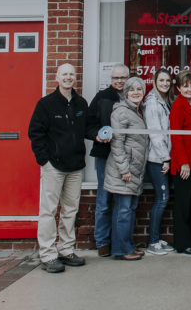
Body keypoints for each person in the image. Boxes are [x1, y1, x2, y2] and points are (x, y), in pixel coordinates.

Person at [27, 63, 91, 273]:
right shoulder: (46, 104)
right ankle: (47, 254)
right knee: (49, 210)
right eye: (64, 74)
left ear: (75, 78)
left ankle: (66, 250)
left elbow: (88, 128)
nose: (68, 77)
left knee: (70, 210)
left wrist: (101, 134)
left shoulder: (81, 103)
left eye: (71, 74)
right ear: (57, 77)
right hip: (53, 166)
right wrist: (44, 160)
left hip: (75, 166)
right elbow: (35, 133)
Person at [86, 63, 129, 257]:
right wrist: (96, 135)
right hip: (106, 154)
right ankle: (102, 242)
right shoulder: (102, 97)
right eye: (116, 78)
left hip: (126, 156)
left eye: (123, 78)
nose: (120, 81)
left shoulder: (134, 97)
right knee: (104, 199)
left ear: (128, 78)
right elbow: (87, 125)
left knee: (123, 200)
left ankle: (120, 243)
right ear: (110, 80)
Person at [104, 76, 149, 261]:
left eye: (139, 89)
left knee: (129, 209)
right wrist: (124, 170)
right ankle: (122, 249)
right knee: (123, 210)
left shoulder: (139, 111)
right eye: (132, 90)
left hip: (134, 168)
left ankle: (127, 246)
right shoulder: (121, 112)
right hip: (123, 170)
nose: (136, 92)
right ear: (125, 93)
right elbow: (117, 143)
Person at [169, 69, 191, 254]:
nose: (189, 89)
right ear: (178, 88)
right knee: (183, 206)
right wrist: (183, 163)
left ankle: (189, 239)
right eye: (185, 86)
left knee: (190, 204)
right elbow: (176, 137)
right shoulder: (178, 106)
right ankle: (182, 243)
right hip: (184, 165)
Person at [143, 69, 175, 256]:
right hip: (157, 159)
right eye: (161, 80)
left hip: (163, 158)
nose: (165, 83)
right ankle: (153, 241)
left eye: (167, 80)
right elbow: (155, 134)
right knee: (161, 199)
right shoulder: (153, 103)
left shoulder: (164, 101)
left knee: (163, 199)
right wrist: (165, 158)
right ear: (155, 81)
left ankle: (157, 238)